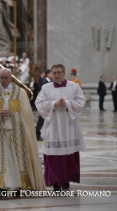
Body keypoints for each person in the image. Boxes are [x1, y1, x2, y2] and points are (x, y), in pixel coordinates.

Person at [0, 68, 45, 197]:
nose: (3, 80)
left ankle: (17, 186)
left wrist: (12, 114)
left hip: (17, 134)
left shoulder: (20, 93)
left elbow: (26, 114)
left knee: (16, 159)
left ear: (11, 78)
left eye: (6, 78)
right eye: (1, 78)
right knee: (0, 160)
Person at [35, 63, 86, 192]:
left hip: (69, 125)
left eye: (59, 72)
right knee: (53, 155)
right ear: (51, 74)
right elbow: (39, 103)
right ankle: (55, 182)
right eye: (54, 73)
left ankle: (66, 180)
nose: (56, 75)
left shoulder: (74, 87)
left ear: (64, 73)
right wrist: (53, 104)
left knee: (68, 154)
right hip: (53, 125)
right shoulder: (46, 88)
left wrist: (67, 104)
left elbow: (81, 102)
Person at [35, 70, 53, 141]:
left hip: (51, 104)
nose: (53, 75)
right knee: (41, 119)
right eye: (52, 73)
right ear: (48, 74)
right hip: (44, 104)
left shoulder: (52, 82)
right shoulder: (43, 82)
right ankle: (37, 134)